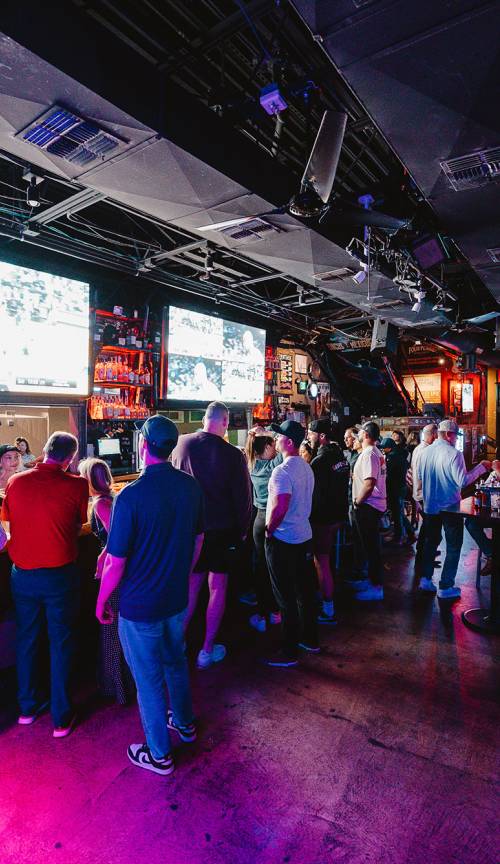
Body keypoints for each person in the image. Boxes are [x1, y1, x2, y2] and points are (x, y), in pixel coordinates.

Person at [96, 415, 204, 776]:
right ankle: (185, 724)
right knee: (176, 662)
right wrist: (182, 573)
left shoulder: (131, 496)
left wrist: (101, 602)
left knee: (148, 681)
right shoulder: (190, 487)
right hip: (175, 599)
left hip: (139, 607)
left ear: (143, 446)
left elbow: (115, 562)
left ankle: (159, 755)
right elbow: (198, 538)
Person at [1, 432, 88, 737]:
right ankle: (61, 718)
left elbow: (9, 520)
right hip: (59, 575)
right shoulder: (77, 484)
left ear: (44, 451)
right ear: (70, 459)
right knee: (60, 641)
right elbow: (78, 524)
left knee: (26, 638)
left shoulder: (16, 482)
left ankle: (26, 708)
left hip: (22, 574)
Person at [171, 402, 252, 668]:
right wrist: (242, 531)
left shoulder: (181, 444)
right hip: (221, 531)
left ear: (204, 419)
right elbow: (243, 500)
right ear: (225, 422)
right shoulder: (233, 455)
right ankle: (206, 650)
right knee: (217, 588)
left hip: (190, 529)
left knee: (190, 588)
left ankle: (177, 645)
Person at [78, 457, 134, 704]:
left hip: (114, 573)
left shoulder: (101, 503)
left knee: (111, 627)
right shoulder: (112, 498)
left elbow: (116, 538)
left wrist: (101, 558)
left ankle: (117, 688)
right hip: (121, 572)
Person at [417, 419, 491, 599]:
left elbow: (419, 477)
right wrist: (482, 468)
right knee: (453, 546)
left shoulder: (425, 452)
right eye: (455, 436)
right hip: (450, 507)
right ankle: (445, 586)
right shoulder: (454, 454)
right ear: (449, 434)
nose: (455, 439)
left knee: (430, 543)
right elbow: (463, 481)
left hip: (430, 506)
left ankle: (426, 580)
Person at [264, 420, 317, 667]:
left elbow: (280, 506)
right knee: (305, 592)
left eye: (279, 436)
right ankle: (310, 639)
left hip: (284, 539)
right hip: (304, 536)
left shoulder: (282, 471)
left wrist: (268, 530)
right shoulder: (306, 467)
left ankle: (289, 651)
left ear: (289, 442)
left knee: (285, 596)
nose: (275, 440)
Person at [308, 419, 349, 625]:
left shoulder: (319, 461)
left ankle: (328, 607)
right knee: (326, 560)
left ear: (321, 436)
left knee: (321, 561)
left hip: (322, 518)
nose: (308, 437)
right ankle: (327, 596)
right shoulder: (340, 456)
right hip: (337, 516)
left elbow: (314, 494)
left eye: (311, 433)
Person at [245, 432, 282, 632]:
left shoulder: (252, 465)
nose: (275, 447)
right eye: (272, 445)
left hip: (258, 519)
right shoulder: (272, 466)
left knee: (259, 566)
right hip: (273, 518)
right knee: (274, 567)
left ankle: (261, 613)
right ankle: (276, 611)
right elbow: (285, 451)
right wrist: (272, 434)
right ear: (266, 448)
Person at [351, 421, 387, 601]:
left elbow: (369, 482)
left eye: (359, 432)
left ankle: (376, 586)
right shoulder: (376, 452)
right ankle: (371, 581)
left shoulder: (368, 454)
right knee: (371, 546)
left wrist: (358, 501)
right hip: (373, 505)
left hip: (368, 506)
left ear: (366, 434)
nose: (357, 435)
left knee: (371, 547)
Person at [409, 424, 438, 574]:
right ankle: (423, 561)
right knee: (430, 531)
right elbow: (423, 475)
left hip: (419, 494)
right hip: (424, 495)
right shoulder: (426, 451)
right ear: (433, 435)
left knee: (427, 529)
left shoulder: (418, 449)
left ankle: (424, 559)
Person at [464, 460, 500, 576]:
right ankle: (491, 553)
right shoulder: (494, 473)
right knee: (470, 523)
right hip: (493, 512)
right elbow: (485, 488)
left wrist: (498, 470)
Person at [384, 431, 415, 544]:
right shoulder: (399, 454)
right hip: (401, 487)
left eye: (385, 448)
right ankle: (408, 534)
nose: (383, 450)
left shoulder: (392, 457)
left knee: (398, 514)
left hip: (396, 488)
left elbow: (389, 475)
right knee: (399, 513)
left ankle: (400, 537)